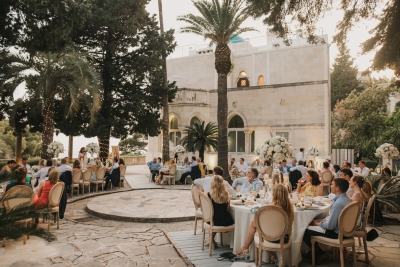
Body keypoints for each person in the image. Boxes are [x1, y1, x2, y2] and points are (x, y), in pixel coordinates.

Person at [235, 184, 294, 263]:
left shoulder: (271, 208)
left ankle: (245, 248)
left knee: (256, 226)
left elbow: (264, 224)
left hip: (273, 238)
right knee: (260, 229)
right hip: (285, 238)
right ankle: (271, 255)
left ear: (274, 194)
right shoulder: (291, 208)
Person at [302, 178, 352, 263]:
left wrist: (316, 223)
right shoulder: (348, 200)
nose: (330, 186)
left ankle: (320, 254)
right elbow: (334, 218)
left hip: (337, 233)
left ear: (337, 188)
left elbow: (330, 226)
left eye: (332, 184)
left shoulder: (338, 204)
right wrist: (320, 220)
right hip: (347, 232)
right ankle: (313, 252)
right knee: (315, 222)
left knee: (305, 231)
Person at [205, 175, 234, 247]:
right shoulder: (227, 194)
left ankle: (211, 240)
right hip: (226, 220)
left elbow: (208, 210)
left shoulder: (209, 194)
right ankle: (211, 240)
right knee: (217, 218)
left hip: (213, 220)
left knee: (212, 218)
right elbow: (228, 209)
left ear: (212, 183)